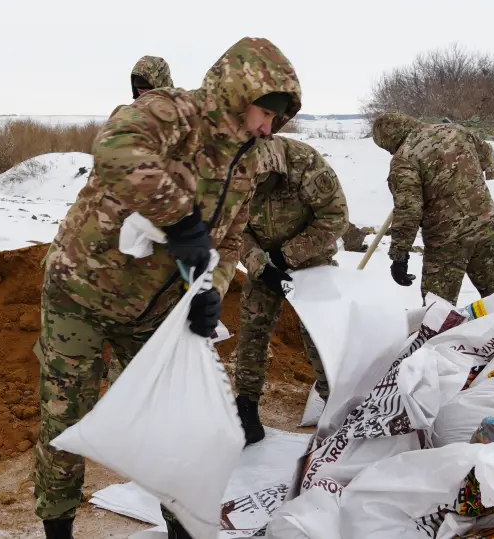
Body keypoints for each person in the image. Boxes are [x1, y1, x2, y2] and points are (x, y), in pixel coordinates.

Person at [34, 37, 302, 539]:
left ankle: (182, 526)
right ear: (239, 94)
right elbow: (115, 149)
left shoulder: (245, 165)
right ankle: (58, 528)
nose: (268, 126)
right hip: (82, 294)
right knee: (65, 419)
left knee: (178, 425)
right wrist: (180, 219)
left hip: (155, 310)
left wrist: (211, 291)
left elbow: (230, 242)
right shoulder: (174, 113)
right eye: (265, 111)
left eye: (276, 118)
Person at [233, 135, 349, 445]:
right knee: (252, 333)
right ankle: (246, 412)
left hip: (310, 259)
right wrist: (260, 266)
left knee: (320, 335)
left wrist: (286, 256)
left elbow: (336, 218)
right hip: (263, 262)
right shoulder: (231, 169)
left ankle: (337, 412)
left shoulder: (306, 163)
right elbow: (232, 230)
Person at [372, 110, 494, 306]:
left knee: (438, 308)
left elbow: (408, 210)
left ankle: (440, 336)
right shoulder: (456, 131)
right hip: (484, 224)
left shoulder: (404, 158)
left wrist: (399, 256)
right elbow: (486, 156)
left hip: (447, 240)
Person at [107, 55, 174, 121]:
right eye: (139, 88)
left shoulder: (179, 111)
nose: (142, 93)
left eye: (147, 87)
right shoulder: (126, 114)